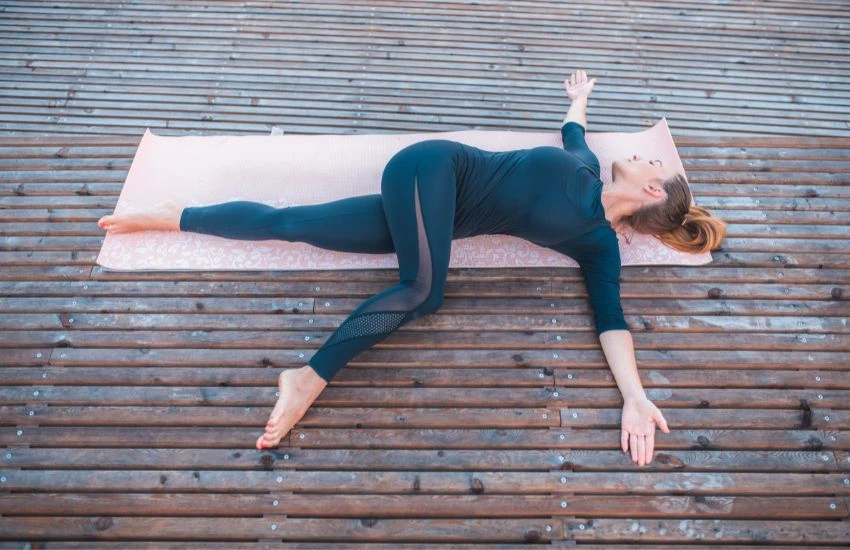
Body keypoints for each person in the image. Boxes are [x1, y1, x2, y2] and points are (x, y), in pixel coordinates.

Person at [98, 70, 727, 466]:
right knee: (424, 290)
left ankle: (172, 215)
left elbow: (610, 321)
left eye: (652, 163)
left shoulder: (597, 244)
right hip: (432, 169)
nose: (643, 156)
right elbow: (571, 129)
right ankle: (308, 377)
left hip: (428, 218)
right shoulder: (583, 164)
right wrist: (580, 97)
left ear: (650, 194)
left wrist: (636, 398)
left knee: (295, 226)